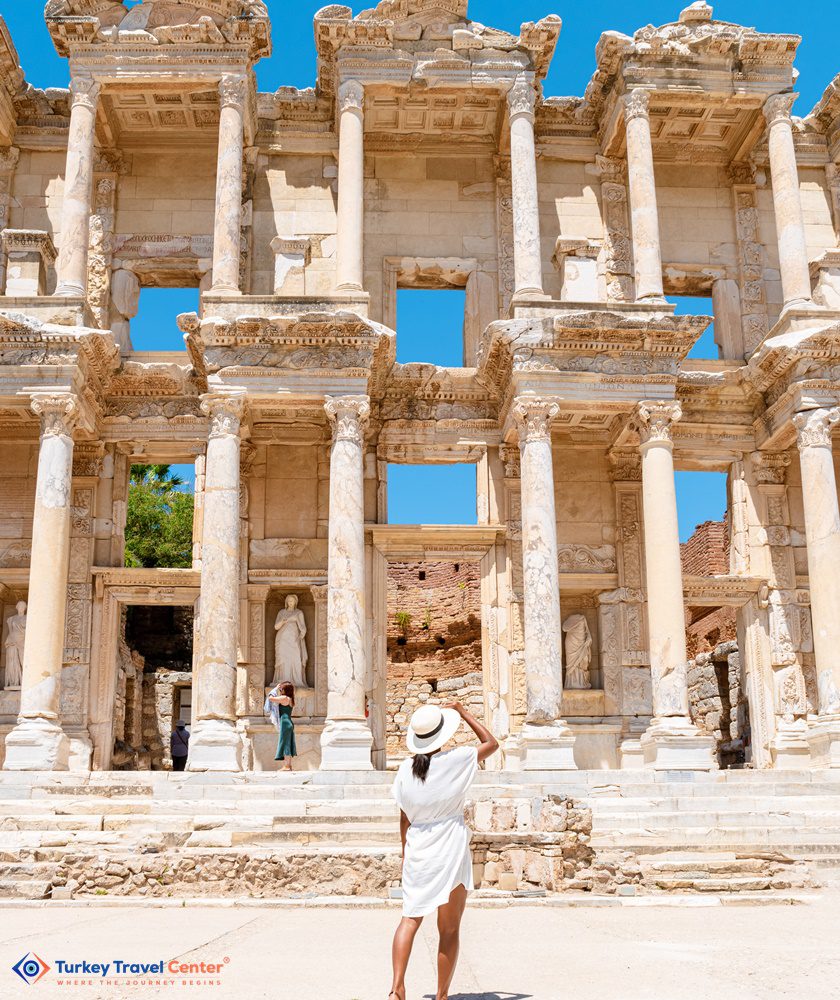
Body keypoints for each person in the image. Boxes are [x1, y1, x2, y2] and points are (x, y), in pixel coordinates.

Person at [389, 701, 498, 1000]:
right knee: (448, 929)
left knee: (409, 918)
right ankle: (441, 995)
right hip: (449, 846)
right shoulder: (458, 759)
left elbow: (403, 818)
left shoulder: (404, 770)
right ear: (442, 734)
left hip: (418, 847)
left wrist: (404, 853)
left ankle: (396, 988)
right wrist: (464, 713)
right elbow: (491, 743)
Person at [265, 681, 297, 771]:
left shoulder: (284, 698)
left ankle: (286, 766)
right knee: (288, 743)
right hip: (289, 722)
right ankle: (289, 765)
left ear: (285, 690)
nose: (280, 690)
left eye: (282, 689)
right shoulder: (290, 699)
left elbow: (270, 698)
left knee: (286, 744)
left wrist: (275, 688)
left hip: (285, 723)